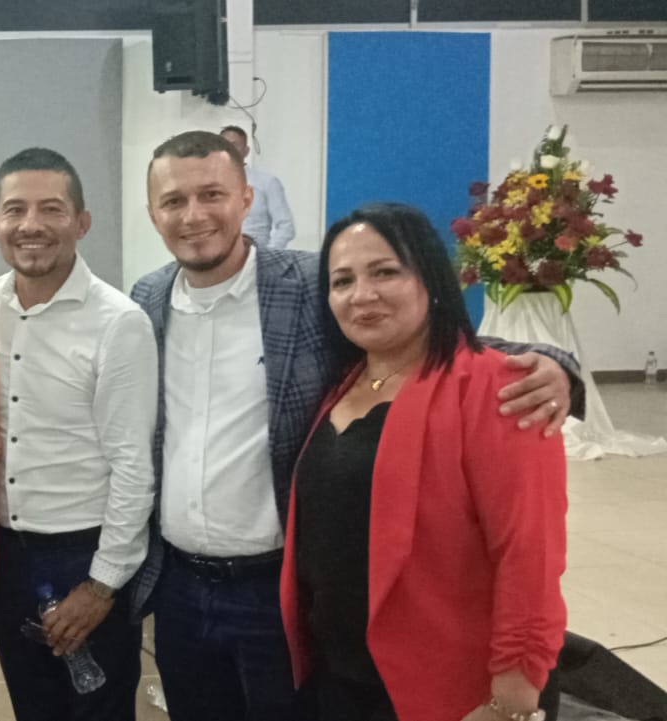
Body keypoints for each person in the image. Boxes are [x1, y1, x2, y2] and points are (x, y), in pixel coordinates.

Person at [128, 130, 580, 721]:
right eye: (174, 201)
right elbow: (386, 355)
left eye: (211, 194)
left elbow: (432, 342)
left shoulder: (306, 283)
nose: (194, 215)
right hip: (185, 588)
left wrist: (556, 366)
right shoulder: (147, 298)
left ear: (246, 198)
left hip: (276, 589)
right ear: (153, 214)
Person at [283, 203, 566, 721]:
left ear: (430, 279)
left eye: (384, 272)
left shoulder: (497, 388)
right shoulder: (343, 383)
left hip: (448, 690)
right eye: (342, 281)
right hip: (341, 678)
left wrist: (511, 700)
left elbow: (530, 554)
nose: (362, 294)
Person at [0, 148, 158, 721]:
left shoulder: (118, 323)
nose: (31, 224)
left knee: (98, 710)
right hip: (9, 556)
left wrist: (101, 586)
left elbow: (133, 465)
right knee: (33, 708)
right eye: (15, 210)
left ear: (82, 221)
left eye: (51, 209)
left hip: (84, 554)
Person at [221, 125, 295, 250]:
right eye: (223, 145)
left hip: (256, 254)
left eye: (234, 145)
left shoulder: (266, 182)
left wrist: (267, 255)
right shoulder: (208, 185)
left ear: (246, 151)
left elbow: (286, 226)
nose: (228, 150)